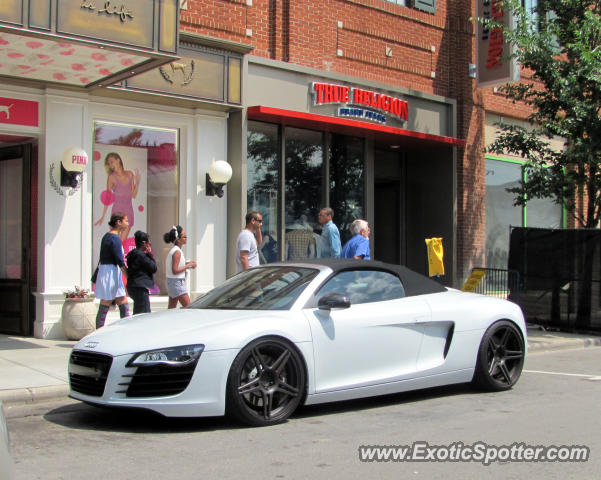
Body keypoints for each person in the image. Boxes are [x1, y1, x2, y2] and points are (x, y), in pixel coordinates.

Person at [94, 152, 141, 243]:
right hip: (117, 211)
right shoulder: (112, 177)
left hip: (128, 211)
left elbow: (133, 195)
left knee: (122, 242)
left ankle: (119, 256)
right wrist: (103, 216)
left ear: (118, 160)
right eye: (109, 163)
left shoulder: (130, 174)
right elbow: (108, 198)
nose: (111, 165)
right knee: (115, 240)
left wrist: (138, 182)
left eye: (112, 162)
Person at [94, 212, 131, 328]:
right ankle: (99, 331)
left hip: (109, 271)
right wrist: (128, 275)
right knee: (106, 301)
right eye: (126, 221)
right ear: (118, 222)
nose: (128, 223)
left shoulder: (107, 236)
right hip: (110, 272)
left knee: (121, 299)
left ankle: (125, 328)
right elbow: (119, 260)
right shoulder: (114, 238)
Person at [164, 225, 197, 309]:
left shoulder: (175, 250)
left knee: (171, 308)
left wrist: (187, 264)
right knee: (189, 308)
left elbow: (176, 265)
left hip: (172, 282)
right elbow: (175, 270)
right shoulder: (177, 252)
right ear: (178, 239)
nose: (186, 238)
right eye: (184, 236)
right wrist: (189, 265)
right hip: (176, 283)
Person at [125, 230, 157, 315]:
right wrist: (150, 254)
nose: (149, 245)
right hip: (140, 287)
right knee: (143, 313)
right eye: (148, 243)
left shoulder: (132, 255)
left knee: (140, 311)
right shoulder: (141, 255)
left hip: (133, 286)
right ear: (143, 243)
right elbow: (153, 268)